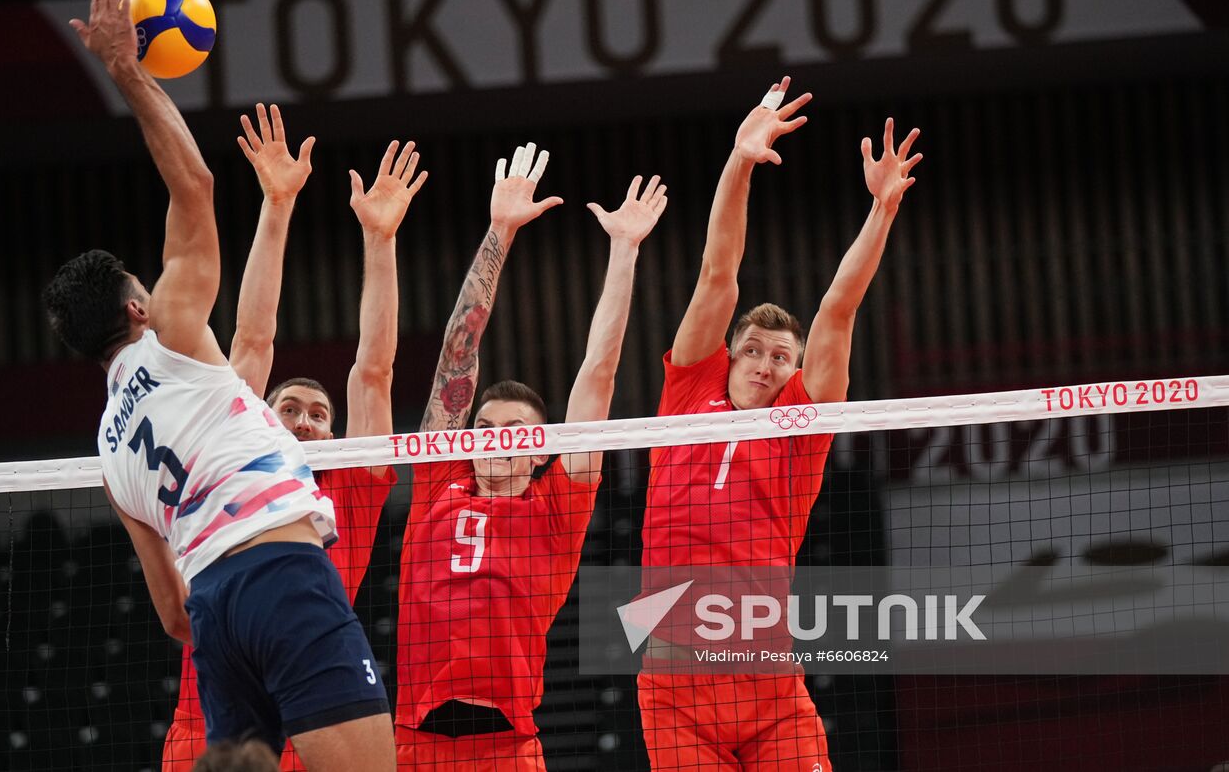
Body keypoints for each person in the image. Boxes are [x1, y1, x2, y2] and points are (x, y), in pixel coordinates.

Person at [43, 0, 393, 772]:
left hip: (212, 613)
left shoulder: (109, 449)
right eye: (149, 286)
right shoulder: (170, 338)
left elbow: (171, 612)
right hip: (281, 573)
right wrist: (130, 73)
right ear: (139, 309)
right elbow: (195, 185)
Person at [637, 76, 922, 772]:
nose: (766, 363)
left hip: (768, 679)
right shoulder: (687, 388)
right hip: (673, 678)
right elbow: (717, 272)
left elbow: (838, 310)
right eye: (755, 349)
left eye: (781, 356)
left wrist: (881, 210)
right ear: (728, 353)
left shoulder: (800, 423)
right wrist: (740, 161)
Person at [163, 107, 426, 771]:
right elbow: (252, 340)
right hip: (213, 720)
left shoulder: (349, 494)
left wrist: (381, 240)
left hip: (317, 717)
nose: (306, 420)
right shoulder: (230, 454)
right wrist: (277, 203)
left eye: (319, 414)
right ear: (259, 416)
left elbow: (374, 369)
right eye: (289, 408)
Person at [396, 144, 669, 770]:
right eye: (484, 426)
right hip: (413, 744)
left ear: (541, 451)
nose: (493, 437)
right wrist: (498, 232)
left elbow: (597, 376)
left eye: (515, 430)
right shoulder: (441, 480)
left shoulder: (557, 506)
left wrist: (624, 252)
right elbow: (457, 352)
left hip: (508, 748)